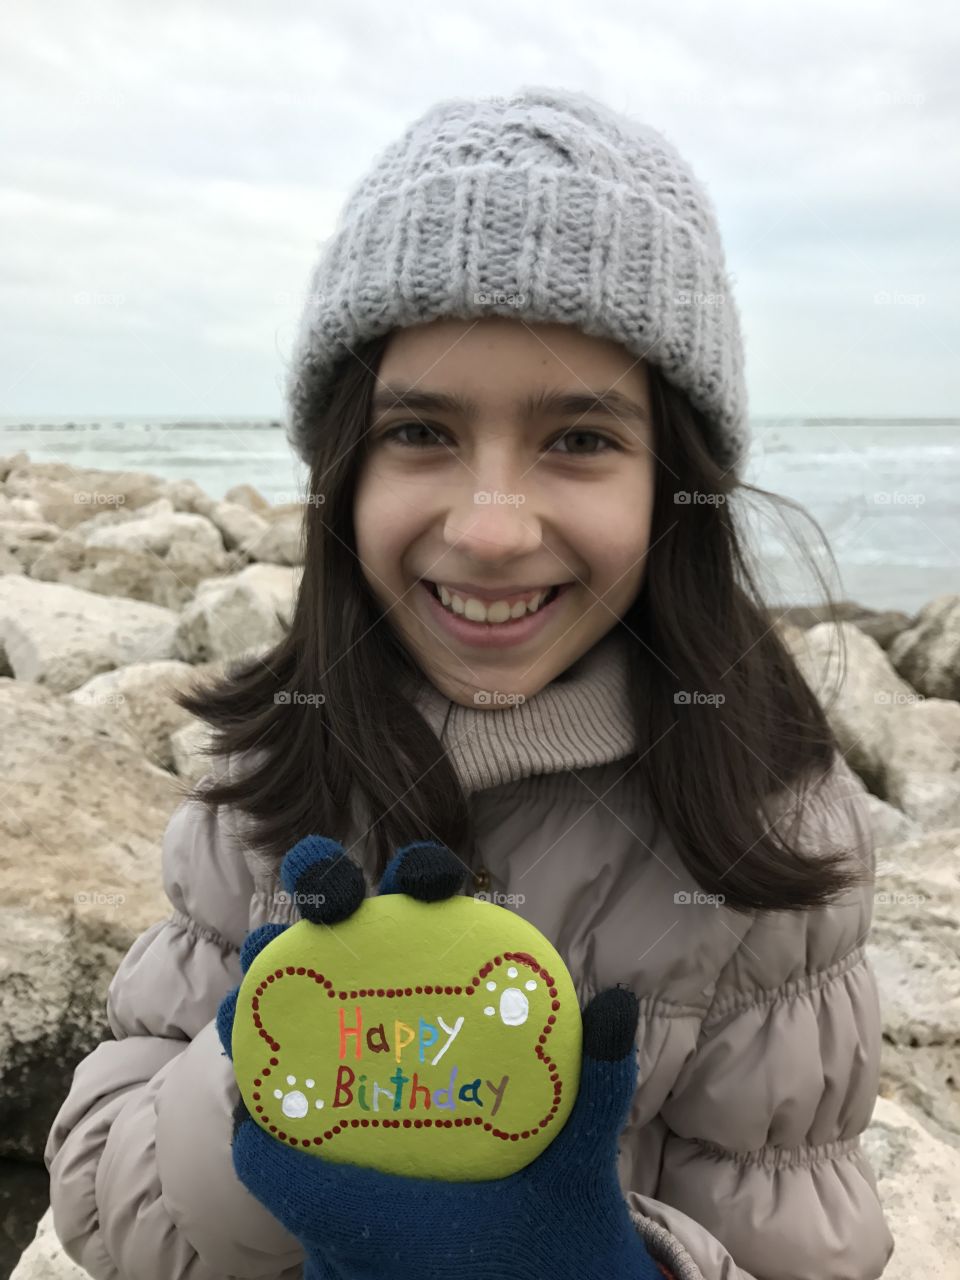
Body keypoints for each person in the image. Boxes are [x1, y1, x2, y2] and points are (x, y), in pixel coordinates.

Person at [44, 85, 896, 1279]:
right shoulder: (273, 773)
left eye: (581, 439)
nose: (492, 529)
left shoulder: (764, 839)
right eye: (423, 433)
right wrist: (260, 1076)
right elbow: (96, 1194)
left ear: (675, 486)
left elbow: (809, 1246)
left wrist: (611, 1260)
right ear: (345, 469)